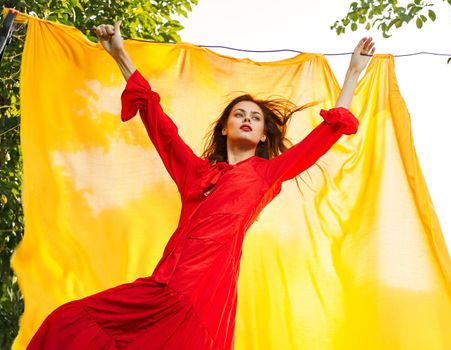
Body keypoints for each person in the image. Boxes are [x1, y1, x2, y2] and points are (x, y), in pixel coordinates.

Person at [27, 20, 375, 350]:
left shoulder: (265, 175)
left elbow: (323, 136)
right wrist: (118, 53)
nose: (247, 120)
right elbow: (157, 121)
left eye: (255, 118)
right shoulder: (195, 172)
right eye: (239, 114)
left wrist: (353, 72)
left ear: (264, 134)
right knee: (68, 322)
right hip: (164, 286)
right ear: (225, 128)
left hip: (205, 296)